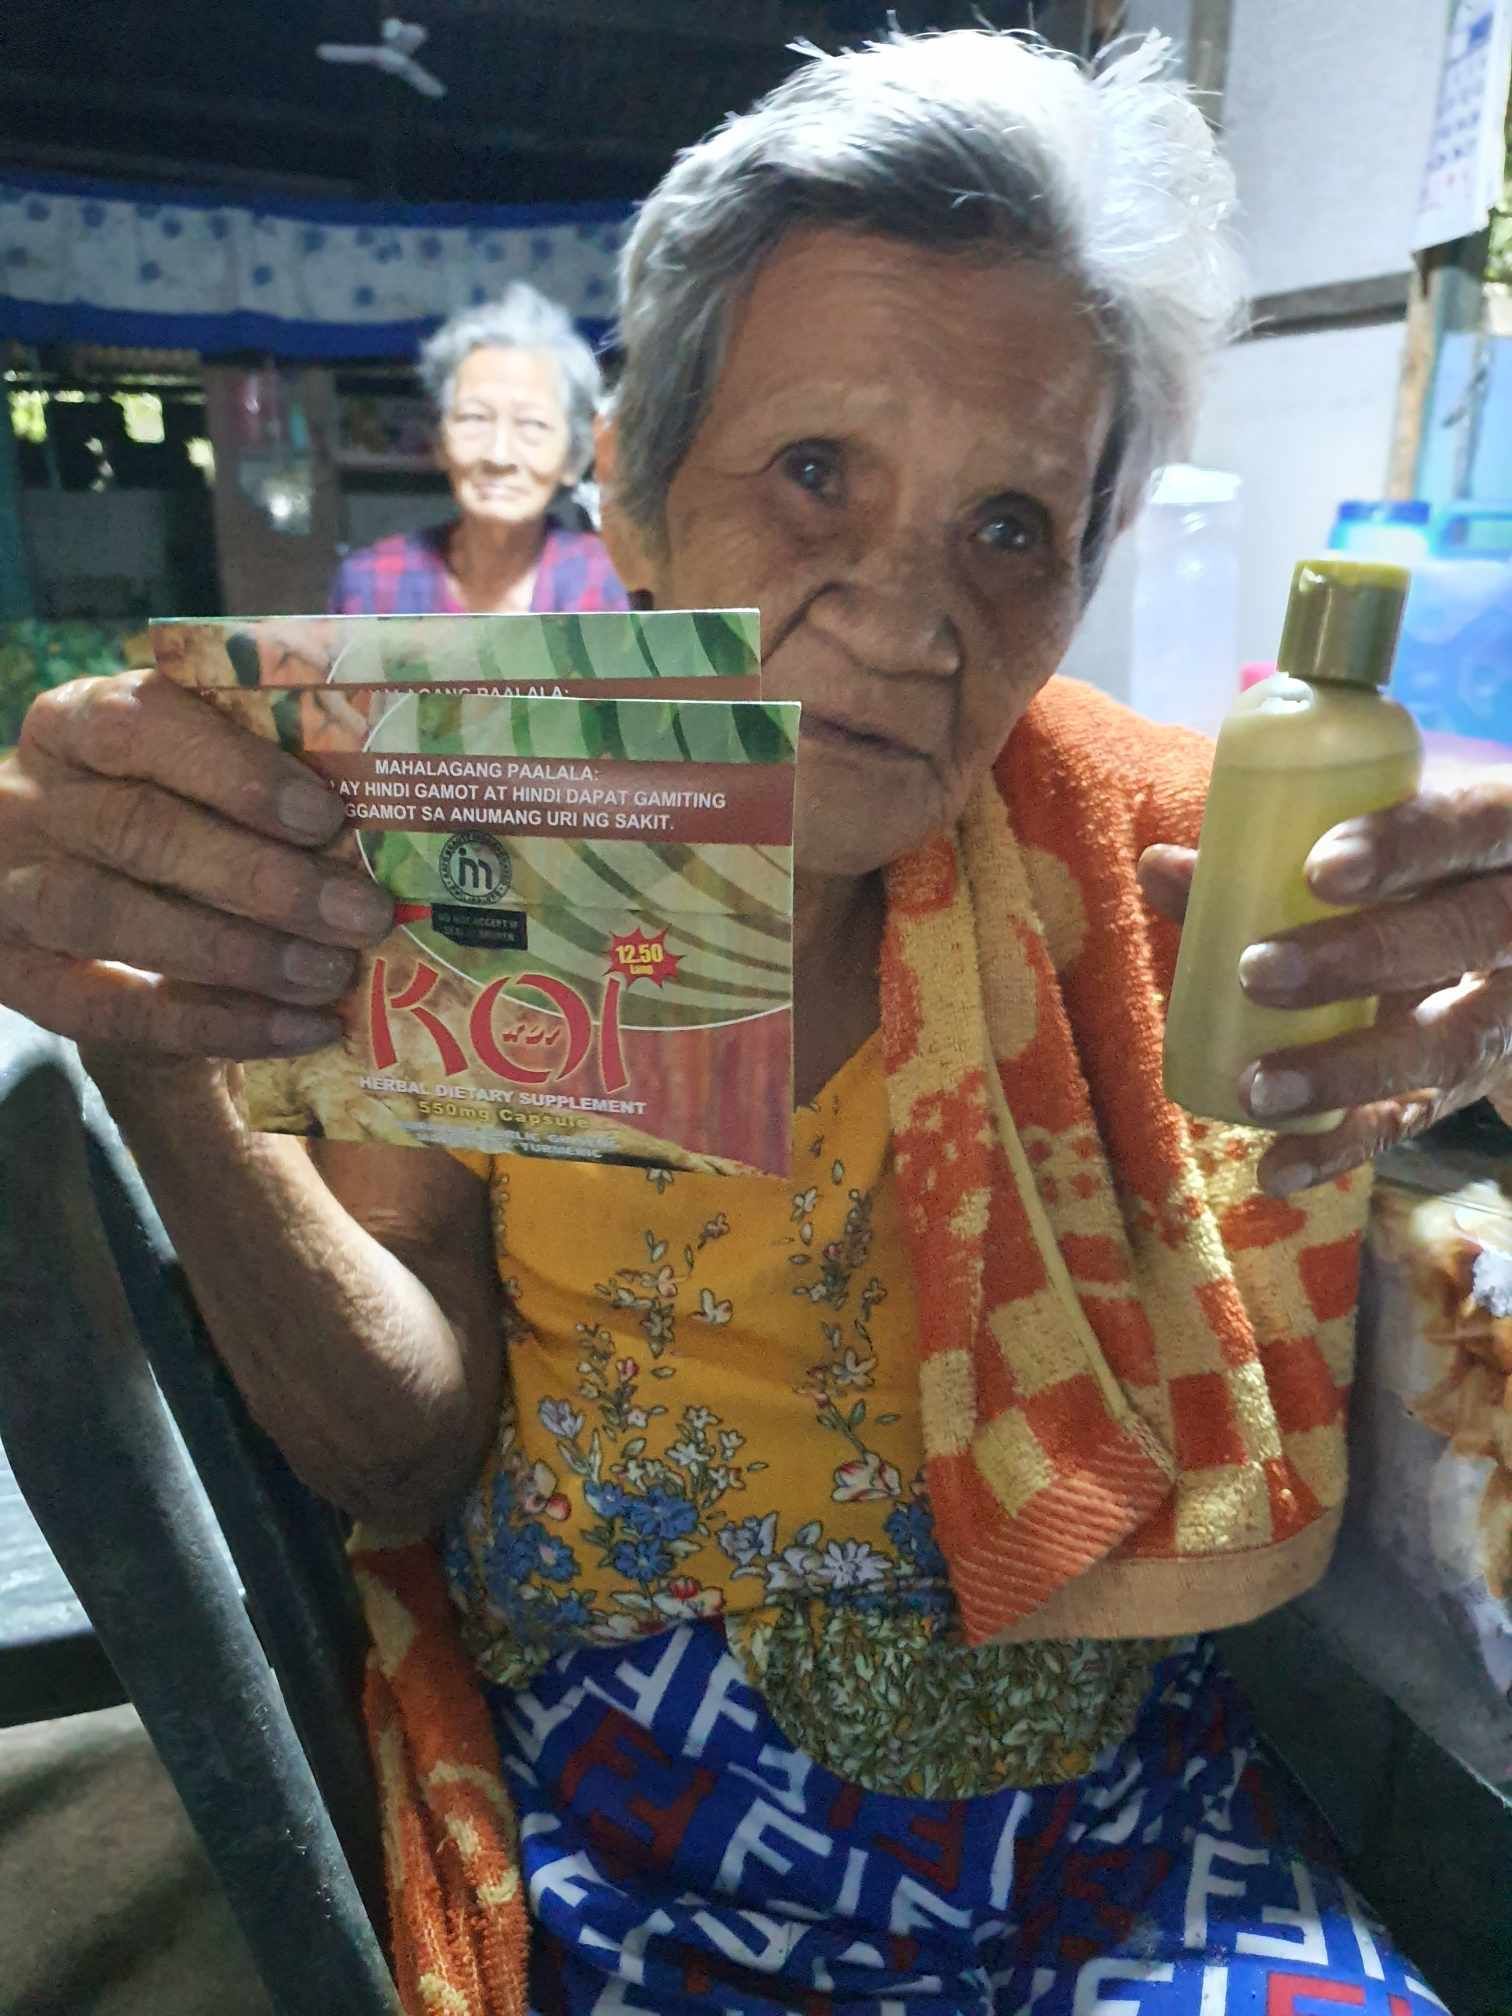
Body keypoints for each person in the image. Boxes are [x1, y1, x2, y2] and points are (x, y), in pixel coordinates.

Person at [1, 28, 1508, 2016]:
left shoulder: (1168, 869)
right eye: (817, 475)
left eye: (1010, 526)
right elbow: (396, 1456)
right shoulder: (500, 841)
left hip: (1127, 1841)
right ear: (630, 491)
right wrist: (162, 1044)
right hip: (657, 1846)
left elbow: (1405, 1037)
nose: (906, 619)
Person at [329, 281, 628, 617]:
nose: (498, 456)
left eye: (532, 424)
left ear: (574, 456)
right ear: (440, 442)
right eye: (475, 418)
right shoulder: (372, 582)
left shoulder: (608, 581)